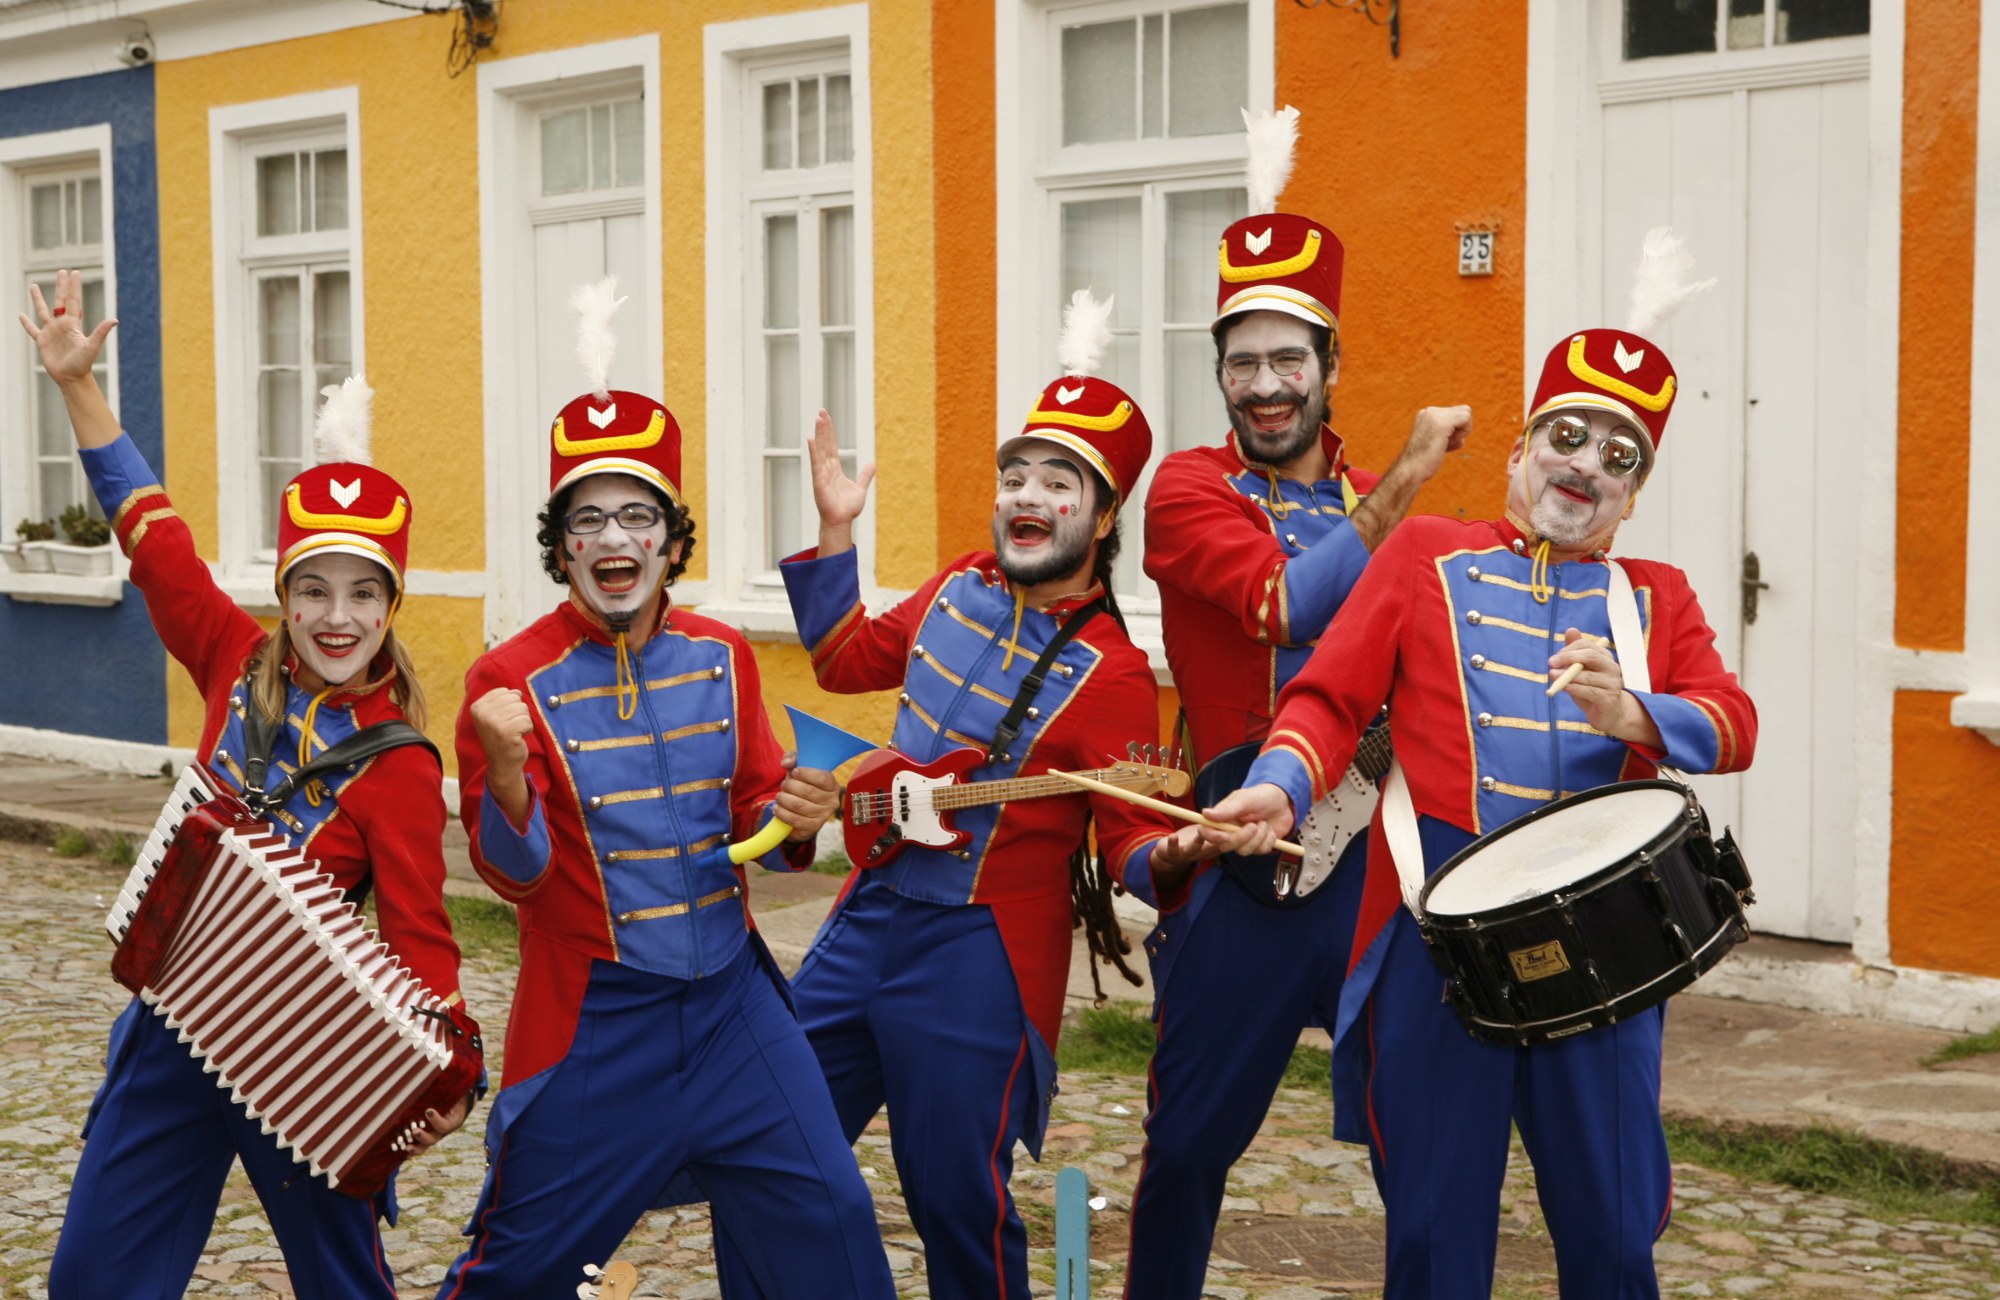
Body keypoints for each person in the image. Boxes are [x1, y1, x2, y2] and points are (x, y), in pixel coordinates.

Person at [1207, 305, 1759, 1299]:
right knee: (1431, 1231)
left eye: (1618, 456)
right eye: (1566, 435)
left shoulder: (1656, 598)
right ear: (1518, 449)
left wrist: (1635, 711)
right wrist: (1278, 788)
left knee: (1612, 1234)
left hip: (1604, 952)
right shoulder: (1424, 554)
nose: (1583, 466)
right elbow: (1328, 698)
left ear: (1632, 494)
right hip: (1440, 946)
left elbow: (1734, 726)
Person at [747, 298, 1211, 1299]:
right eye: (1015, 476)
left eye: (1059, 481)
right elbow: (841, 659)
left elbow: (1132, 841)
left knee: (954, 1198)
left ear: (1103, 516)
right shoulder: (956, 583)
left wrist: (1174, 855)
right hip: (867, 911)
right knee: (769, 1142)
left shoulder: (1115, 672)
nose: (1027, 496)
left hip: (982, 958)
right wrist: (835, 530)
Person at [25, 270, 475, 1300]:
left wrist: (453, 1061)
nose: (336, 617)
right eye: (313, 589)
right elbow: (155, 540)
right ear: (284, 594)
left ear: (390, 606)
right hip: (178, 1022)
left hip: (307, 1052)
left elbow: (418, 931)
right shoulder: (232, 657)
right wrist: (78, 387)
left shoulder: (400, 763)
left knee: (344, 1286)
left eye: (362, 593)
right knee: (92, 1279)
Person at [440, 281, 893, 1299]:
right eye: (589, 518)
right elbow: (514, 879)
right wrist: (504, 772)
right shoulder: (505, 680)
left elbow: (757, 820)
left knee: (831, 1220)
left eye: (637, 516)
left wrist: (794, 821)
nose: (614, 540)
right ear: (561, 544)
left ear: (670, 540)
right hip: (597, 1023)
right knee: (520, 1270)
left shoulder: (724, 654)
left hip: (737, 1011)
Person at [1124, 107, 1468, 1298]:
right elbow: (1281, 603)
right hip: (1240, 852)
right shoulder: (1185, 489)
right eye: (1241, 362)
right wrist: (1412, 483)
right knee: (1185, 1145)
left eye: (1288, 360)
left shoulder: (1378, 497)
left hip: (1376, 860)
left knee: (1414, 1140)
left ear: (1329, 364)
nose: (1264, 387)